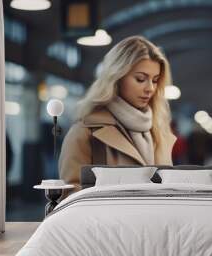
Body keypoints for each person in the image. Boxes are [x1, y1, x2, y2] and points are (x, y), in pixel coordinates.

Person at [59, 36, 177, 198]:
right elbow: (70, 197)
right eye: (140, 79)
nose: (150, 88)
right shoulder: (85, 132)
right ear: (117, 77)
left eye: (155, 80)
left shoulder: (159, 133)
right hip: (108, 223)